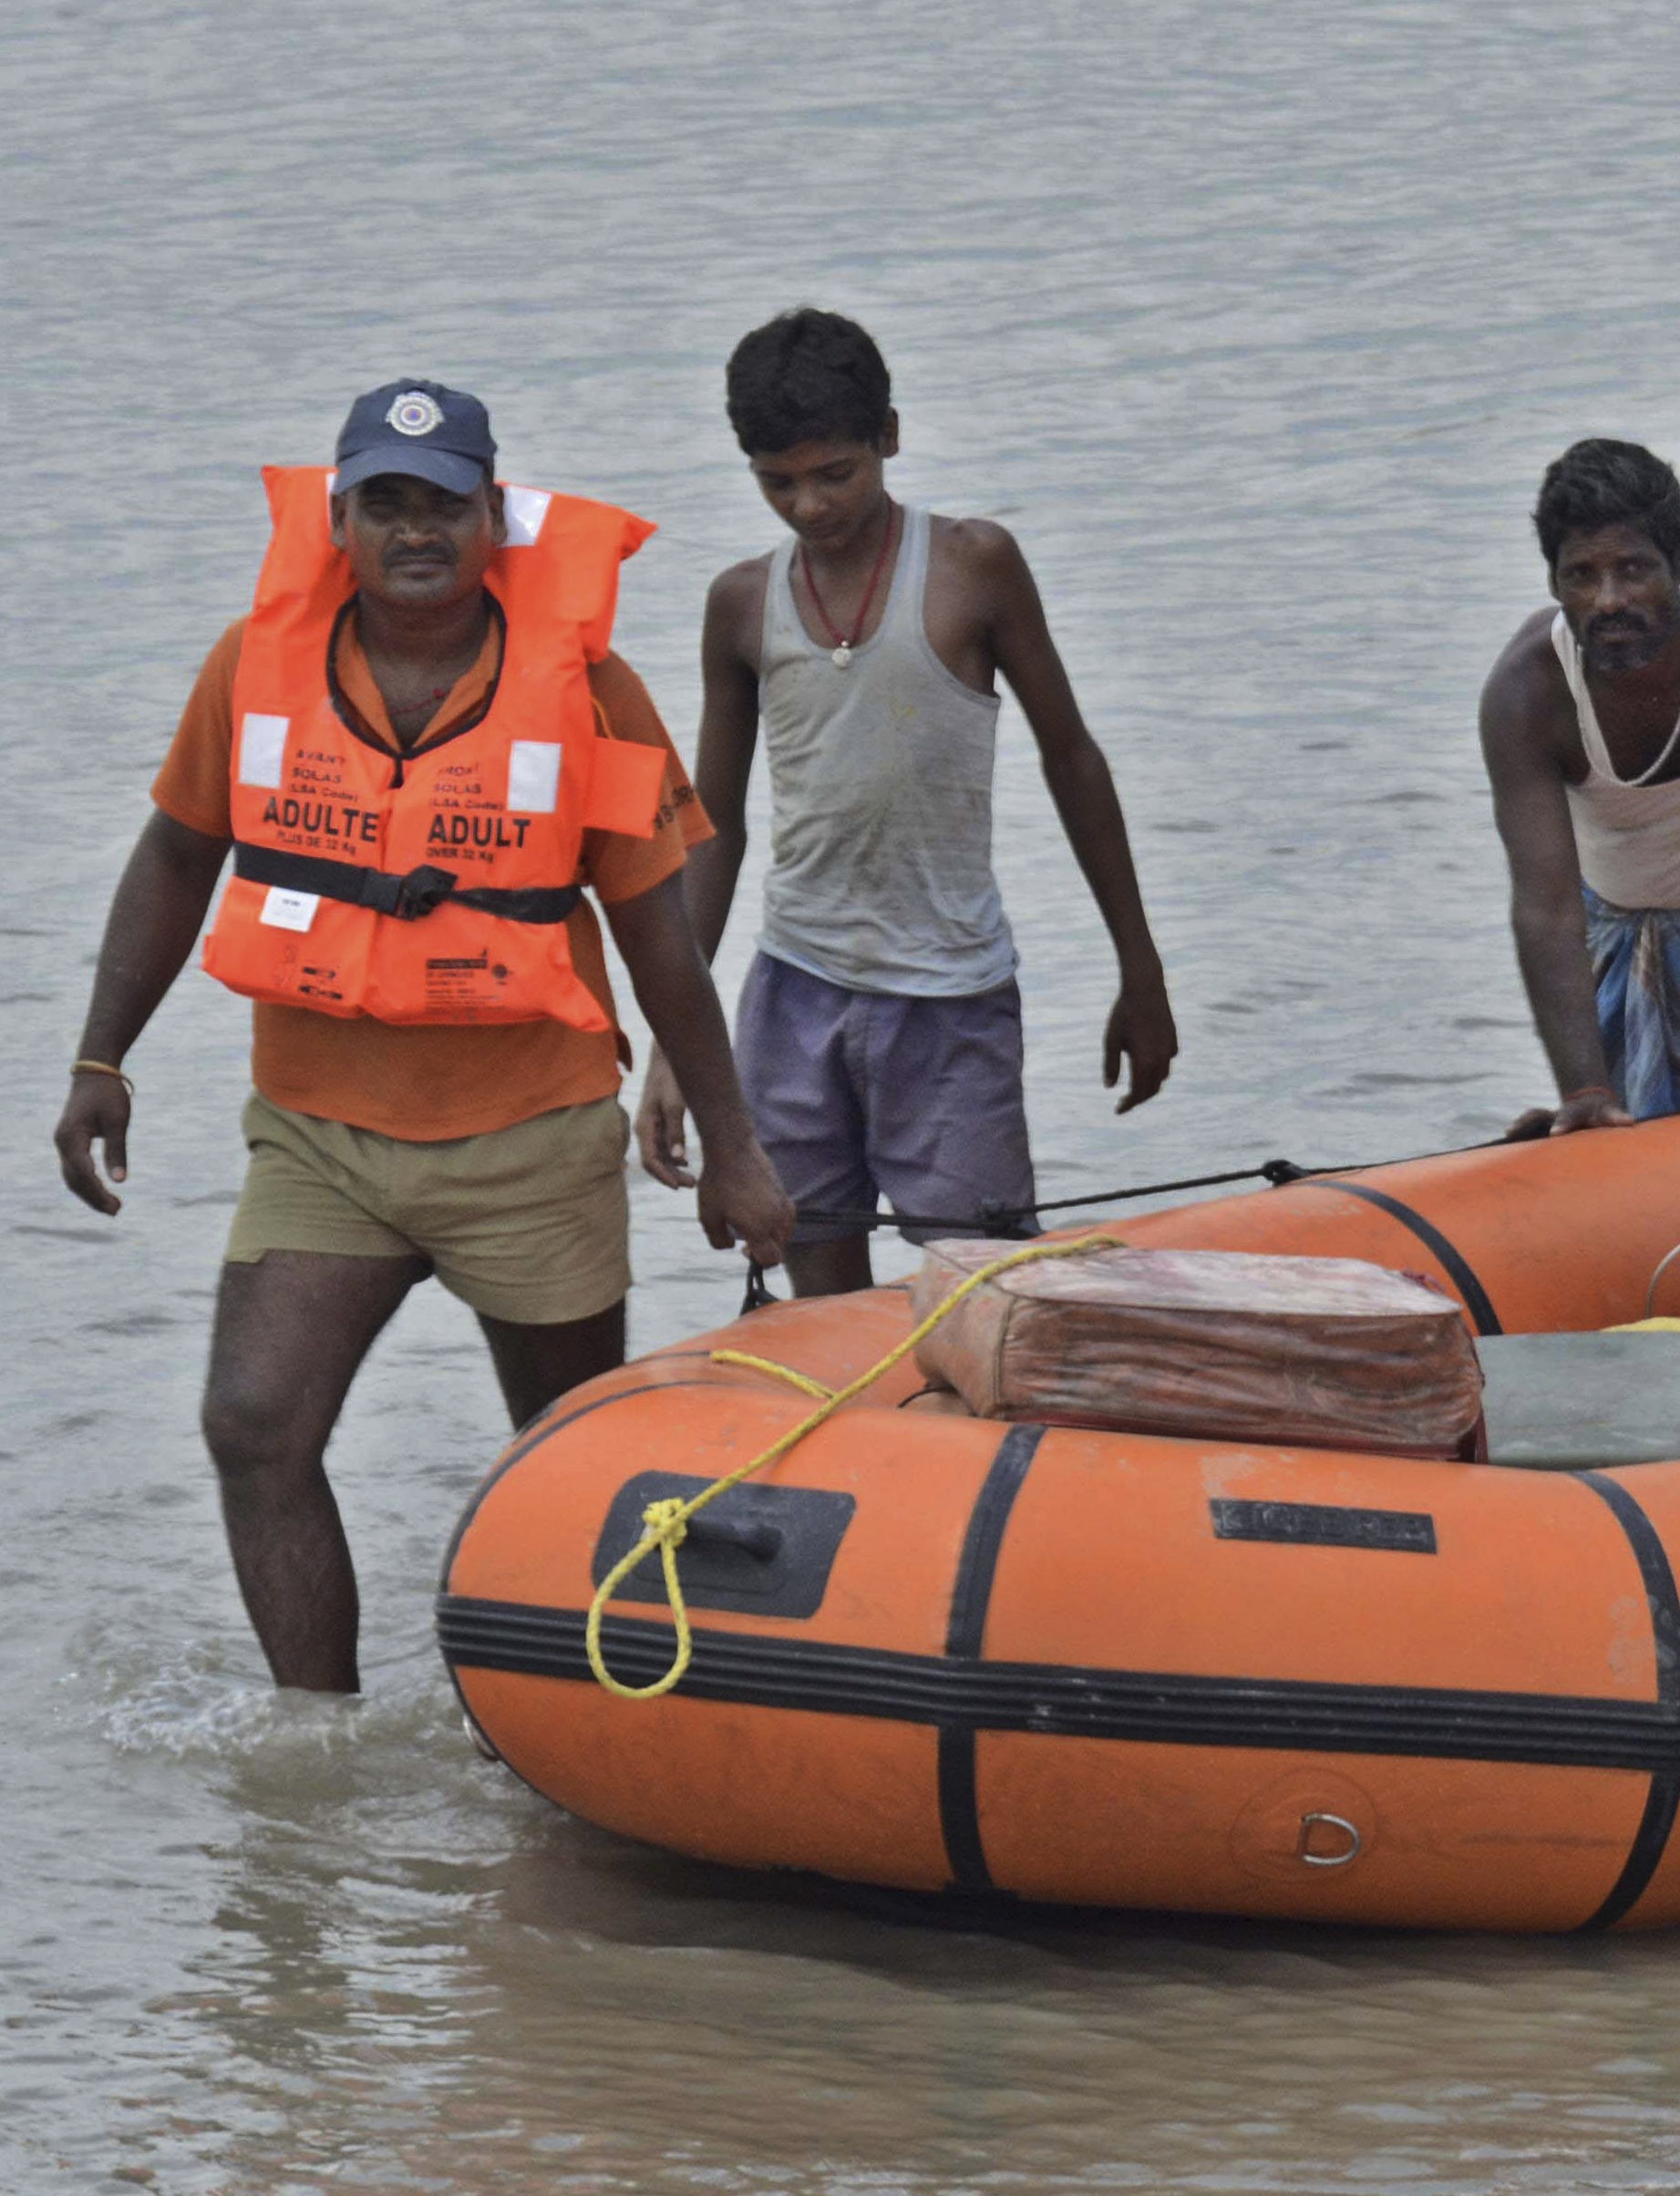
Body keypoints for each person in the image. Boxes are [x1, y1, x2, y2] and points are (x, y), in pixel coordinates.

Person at [49, 379, 794, 1693]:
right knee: (253, 1423)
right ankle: (316, 1744)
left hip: (532, 1138)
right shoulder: (251, 663)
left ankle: (567, 1741)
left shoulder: (592, 687)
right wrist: (101, 1057)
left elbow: (658, 937)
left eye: (441, 502)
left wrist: (735, 1149)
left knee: (560, 1460)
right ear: (337, 518)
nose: (413, 531)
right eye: (382, 502)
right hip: (319, 1138)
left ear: (493, 515)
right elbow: (176, 855)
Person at [635, 309, 1177, 1297]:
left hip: (950, 1002)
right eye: (777, 482)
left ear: (888, 434)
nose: (808, 505)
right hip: (791, 997)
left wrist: (1139, 970)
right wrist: (683, 1043)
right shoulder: (739, 606)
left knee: (983, 1285)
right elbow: (711, 830)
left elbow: (1074, 760)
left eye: (834, 473)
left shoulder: (973, 567)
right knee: (817, 1284)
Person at [1480, 439, 1680, 1133]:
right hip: (1623, 940)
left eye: (1634, 569)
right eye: (1581, 575)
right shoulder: (1527, 692)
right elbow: (1546, 909)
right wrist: (1583, 1088)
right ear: (1553, 582)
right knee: (1628, 1135)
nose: (1608, 600)